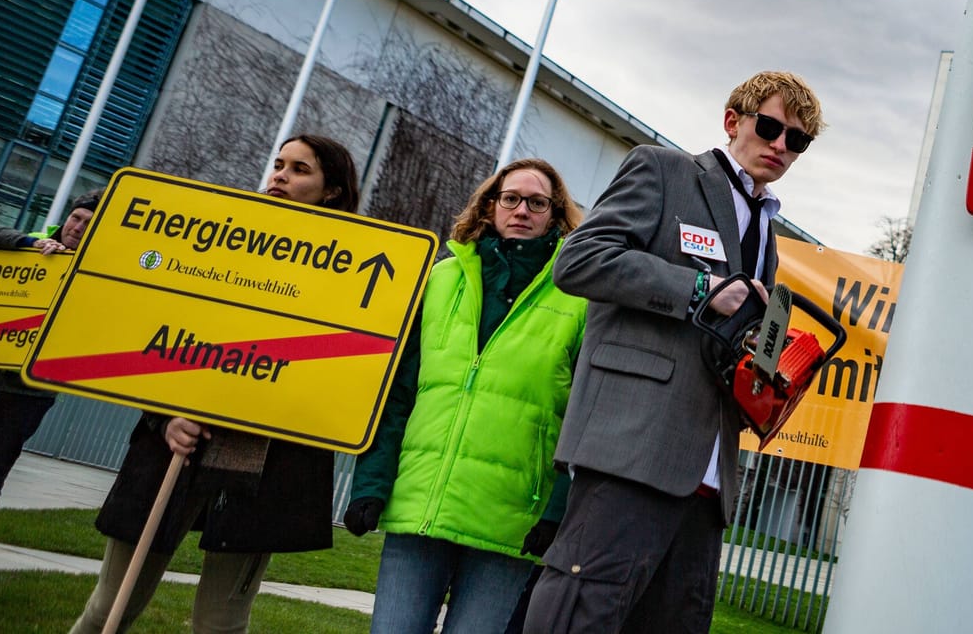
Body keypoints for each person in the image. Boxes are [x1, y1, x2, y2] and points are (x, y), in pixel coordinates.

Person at [524, 71, 825, 634]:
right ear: (733, 121)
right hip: (633, 447)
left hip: (709, 477)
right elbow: (579, 260)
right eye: (770, 127)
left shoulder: (768, 229)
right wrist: (697, 289)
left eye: (798, 140)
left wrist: (765, 364)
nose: (781, 146)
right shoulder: (663, 169)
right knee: (579, 615)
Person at [70, 135, 361, 634]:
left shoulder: (353, 271)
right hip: (171, 450)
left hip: (270, 464)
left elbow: (335, 373)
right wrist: (168, 415)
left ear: (332, 190)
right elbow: (163, 338)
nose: (280, 177)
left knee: (221, 624)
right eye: (278, 165)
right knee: (107, 612)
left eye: (299, 170)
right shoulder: (218, 242)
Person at [343, 158, 588, 634]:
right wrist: (371, 484)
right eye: (511, 198)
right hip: (421, 506)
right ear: (490, 206)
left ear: (556, 215)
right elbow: (398, 393)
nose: (522, 210)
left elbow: (584, 416)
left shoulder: (580, 300)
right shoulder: (439, 279)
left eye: (537, 202)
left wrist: (556, 510)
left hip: (512, 520)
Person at [0, 189, 100, 502]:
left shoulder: (98, 268)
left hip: (29, 391)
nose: (77, 227)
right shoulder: (36, 241)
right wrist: (32, 244)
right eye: (75, 218)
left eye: (88, 224)